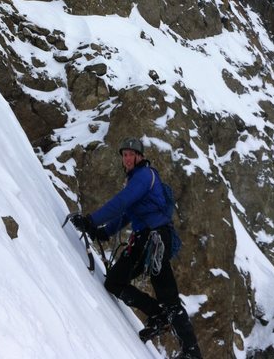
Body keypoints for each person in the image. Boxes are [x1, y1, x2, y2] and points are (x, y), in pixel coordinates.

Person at [71, 137, 203, 359]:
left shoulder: (144, 176)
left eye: (131, 154)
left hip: (153, 240)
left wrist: (92, 221)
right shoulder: (138, 180)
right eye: (124, 155)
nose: (127, 158)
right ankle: (158, 316)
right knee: (115, 281)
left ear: (140, 157)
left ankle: (191, 352)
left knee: (166, 295)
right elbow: (126, 214)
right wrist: (103, 232)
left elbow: (122, 202)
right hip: (148, 240)